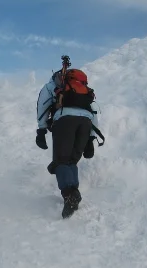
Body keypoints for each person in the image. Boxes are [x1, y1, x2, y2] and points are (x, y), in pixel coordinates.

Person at [36, 65, 102, 218]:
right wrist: (91, 138)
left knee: (61, 161)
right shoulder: (85, 90)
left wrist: (41, 129)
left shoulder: (53, 86)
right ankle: (73, 192)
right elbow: (93, 113)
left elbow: (43, 105)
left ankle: (69, 195)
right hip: (85, 122)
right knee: (72, 160)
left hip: (65, 120)